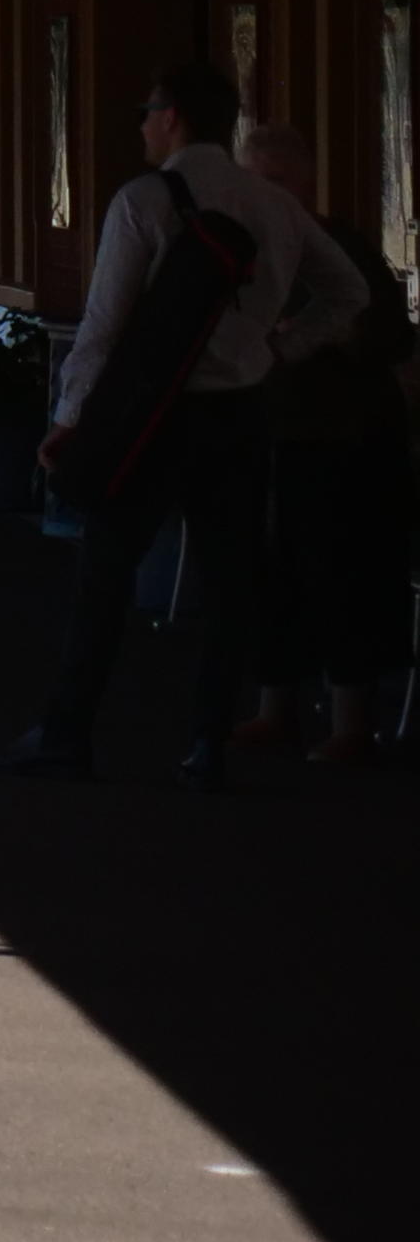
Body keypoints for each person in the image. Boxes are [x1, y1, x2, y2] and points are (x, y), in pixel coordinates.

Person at [0, 58, 366, 787]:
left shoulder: (143, 202)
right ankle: (206, 744)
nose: (141, 123)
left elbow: (104, 328)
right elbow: (345, 293)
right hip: (244, 413)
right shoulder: (276, 205)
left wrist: (69, 419)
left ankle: (67, 732)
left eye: (146, 110)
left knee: (105, 573)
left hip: (153, 415)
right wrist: (281, 343)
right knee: (230, 583)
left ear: (174, 117)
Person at [226, 115, 412, 763]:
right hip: (271, 430)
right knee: (271, 576)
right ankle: (274, 709)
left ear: (304, 184)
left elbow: (383, 332)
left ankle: (350, 724)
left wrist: (311, 328)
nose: (267, 194)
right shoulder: (245, 251)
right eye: (256, 182)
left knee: (341, 576)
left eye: (279, 181)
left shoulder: (340, 245)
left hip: (342, 438)